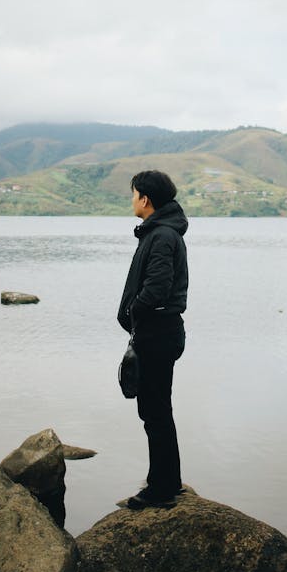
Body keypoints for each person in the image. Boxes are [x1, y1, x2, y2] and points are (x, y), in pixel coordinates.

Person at [118, 170, 188, 509]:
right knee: (158, 410)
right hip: (160, 331)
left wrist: (134, 310)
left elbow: (157, 286)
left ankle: (161, 489)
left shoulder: (161, 236)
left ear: (145, 199)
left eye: (133, 194)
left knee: (155, 411)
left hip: (158, 332)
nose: (131, 200)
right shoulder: (159, 233)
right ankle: (166, 480)